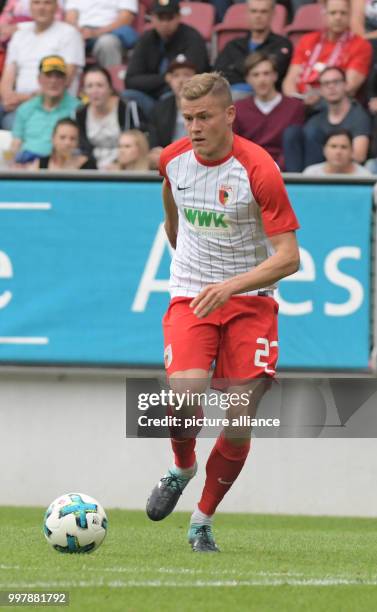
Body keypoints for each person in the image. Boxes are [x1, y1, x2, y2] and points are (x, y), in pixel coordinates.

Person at [146, 72, 300, 552]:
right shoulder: (172, 160)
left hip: (250, 300)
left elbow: (289, 257)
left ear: (229, 115)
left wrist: (231, 285)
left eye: (204, 117)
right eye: (188, 118)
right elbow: (171, 204)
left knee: (238, 417)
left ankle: (202, 520)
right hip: (193, 292)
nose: (194, 127)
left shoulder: (259, 169)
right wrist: (180, 247)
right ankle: (182, 467)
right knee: (184, 394)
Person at [0, 0, 84, 129]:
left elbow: (64, 81)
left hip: (49, 105)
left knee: (12, 123)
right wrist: (7, 97)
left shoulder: (69, 34)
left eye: (47, 3)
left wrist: (21, 99)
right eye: (36, 3)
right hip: (16, 102)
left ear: (56, 7)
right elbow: (7, 77)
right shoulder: (20, 34)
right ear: (30, 7)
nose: (41, 8)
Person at [124, 0, 210, 118]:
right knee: (128, 95)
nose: (165, 23)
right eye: (160, 17)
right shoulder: (146, 39)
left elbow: (195, 76)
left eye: (169, 18)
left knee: (170, 98)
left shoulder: (192, 38)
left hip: (180, 98)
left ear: (179, 17)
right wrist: (165, 79)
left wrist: (170, 81)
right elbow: (131, 80)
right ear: (152, 18)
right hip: (151, 97)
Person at [282, 0, 372, 107]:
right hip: (300, 103)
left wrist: (316, 98)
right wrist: (295, 101)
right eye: (333, 13)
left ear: (350, 15)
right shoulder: (307, 40)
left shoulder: (361, 45)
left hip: (335, 106)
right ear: (324, 15)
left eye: (343, 13)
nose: (338, 17)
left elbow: (350, 87)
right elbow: (289, 81)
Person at [283, 66, 371, 171]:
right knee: (292, 132)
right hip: (312, 169)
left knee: (312, 132)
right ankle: (294, 183)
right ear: (320, 90)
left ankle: (312, 182)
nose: (331, 87)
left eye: (336, 82)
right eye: (326, 83)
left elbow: (359, 156)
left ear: (345, 84)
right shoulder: (316, 114)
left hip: (341, 172)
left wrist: (335, 152)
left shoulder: (358, 115)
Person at [233, 51, 304, 169]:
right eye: (256, 75)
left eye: (266, 73)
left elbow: (293, 147)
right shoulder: (239, 108)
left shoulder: (294, 106)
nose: (262, 79)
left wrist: (274, 168)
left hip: (286, 172)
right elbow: (236, 146)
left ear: (275, 76)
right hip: (250, 170)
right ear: (248, 79)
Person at [214, 0, 292, 98]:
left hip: (264, 99)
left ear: (272, 13)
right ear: (247, 13)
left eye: (263, 11)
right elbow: (217, 74)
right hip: (229, 96)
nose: (258, 16)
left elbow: (274, 75)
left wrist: (235, 68)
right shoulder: (233, 45)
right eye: (254, 11)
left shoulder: (282, 45)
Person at [10, 55, 80, 164]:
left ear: (66, 80)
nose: (53, 81)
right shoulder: (25, 109)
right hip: (27, 166)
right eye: (48, 75)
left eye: (58, 76)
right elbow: (16, 143)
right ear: (39, 79)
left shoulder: (78, 109)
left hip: (61, 167)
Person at [76, 65, 143, 170]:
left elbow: (141, 141)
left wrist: (120, 166)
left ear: (110, 88)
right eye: (89, 86)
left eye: (100, 85)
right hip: (91, 171)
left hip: (126, 169)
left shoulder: (128, 108)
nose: (95, 91)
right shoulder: (79, 113)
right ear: (84, 91)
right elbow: (82, 148)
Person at [148, 54, 196, 169]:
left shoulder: (205, 106)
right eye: (176, 76)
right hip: (169, 159)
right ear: (169, 79)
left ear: (196, 78)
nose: (181, 80)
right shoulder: (159, 108)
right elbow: (154, 144)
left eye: (187, 75)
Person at [65, 0, 138, 68]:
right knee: (68, 41)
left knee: (107, 42)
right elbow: (70, 17)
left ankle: (112, 79)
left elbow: (125, 19)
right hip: (82, 33)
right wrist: (78, 33)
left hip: (110, 32)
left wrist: (96, 33)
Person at [28, 117, 97, 170]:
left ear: (78, 142)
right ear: (53, 139)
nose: (67, 143)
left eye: (72, 139)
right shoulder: (40, 165)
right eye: (62, 137)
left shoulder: (88, 166)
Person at [303, 128, 372, 175]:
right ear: (324, 150)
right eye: (333, 146)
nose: (338, 152)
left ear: (352, 151)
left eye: (344, 147)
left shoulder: (364, 175)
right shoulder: (311, 174)